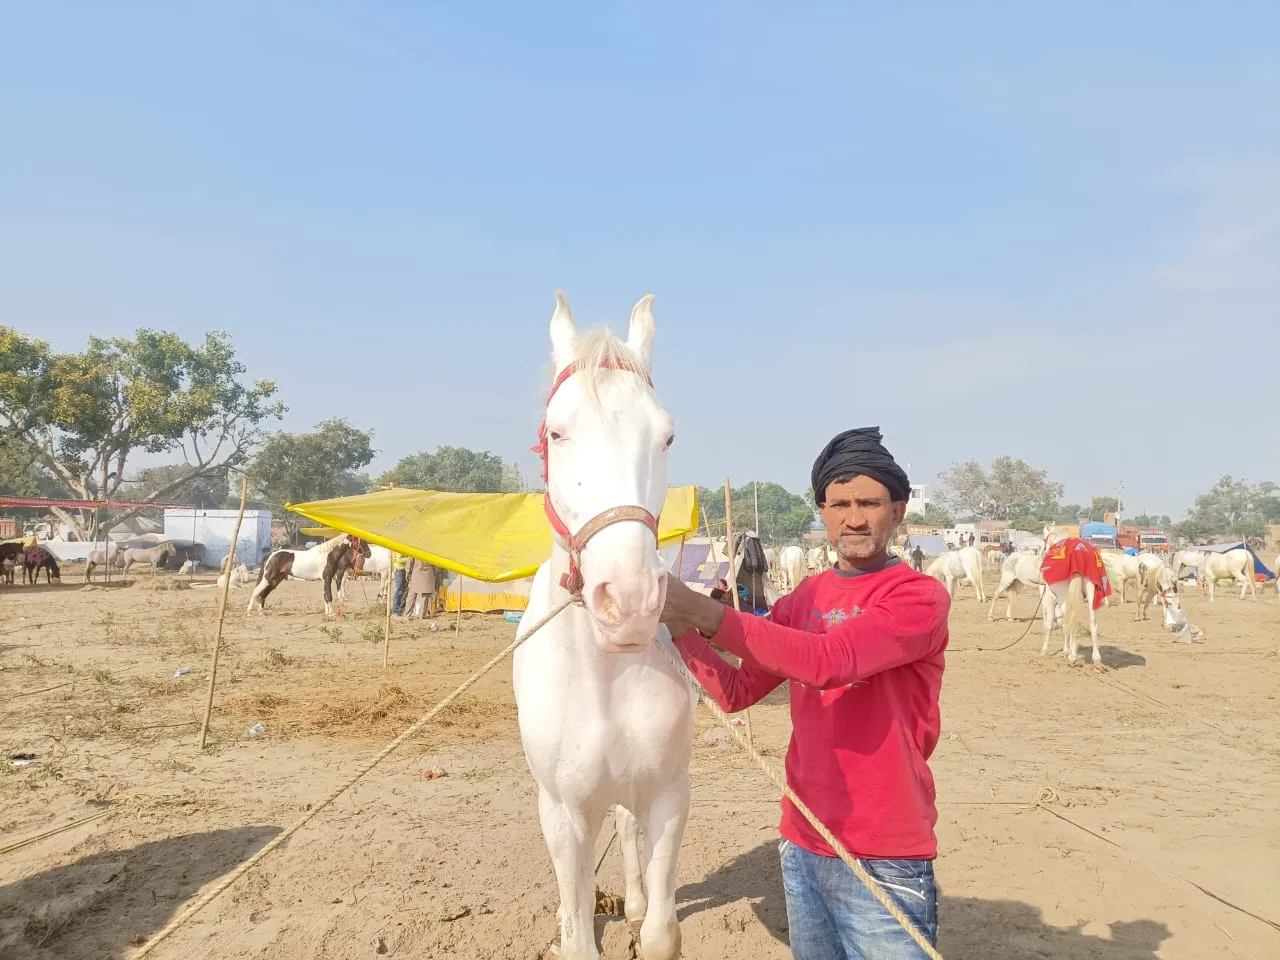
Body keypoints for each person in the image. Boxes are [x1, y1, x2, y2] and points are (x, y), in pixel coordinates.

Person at [660, 426, 949, 958]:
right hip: (803, 844)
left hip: (885, 854)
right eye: (839, 504)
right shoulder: (804, 599)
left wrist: (701, 610)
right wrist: (678, 628)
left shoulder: (918, 597)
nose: (854, 519)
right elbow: (735, 691)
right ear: (823, 512)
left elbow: (827, 662)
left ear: (898, 512)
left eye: (869, 503)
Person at [391, 551, 409, 617]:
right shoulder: (398, 550)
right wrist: (409, 558)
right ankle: (395, 611)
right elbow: (399, 560)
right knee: (399, 591)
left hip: (403, 570)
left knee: (404, 591)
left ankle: (400, 609)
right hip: (399, 571)